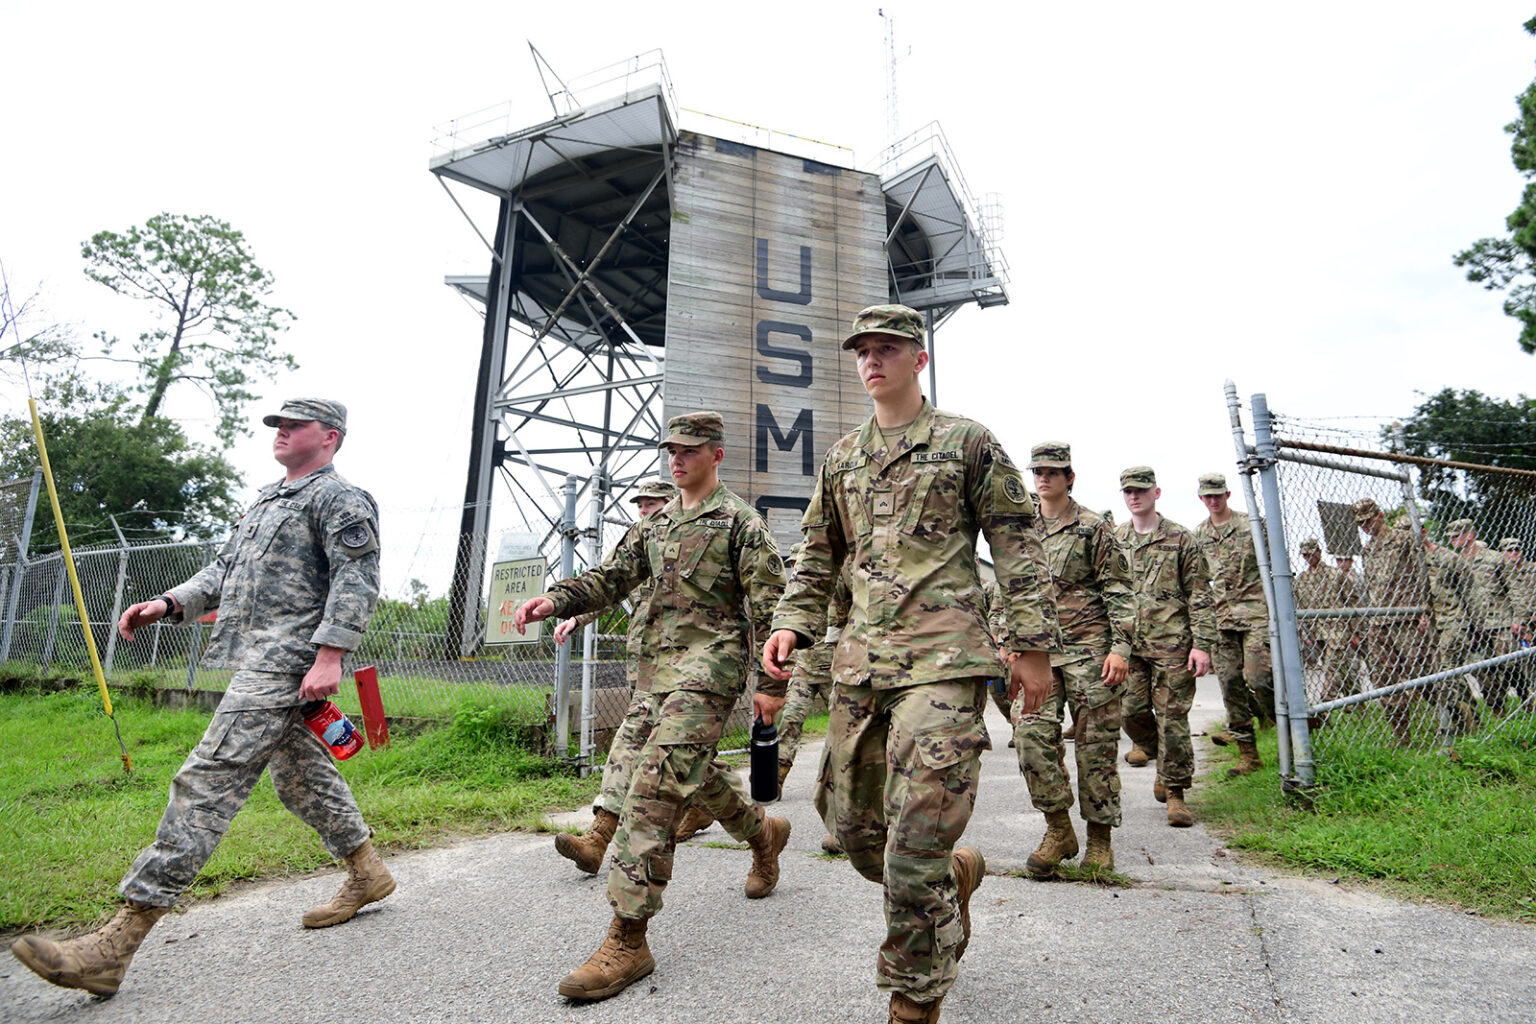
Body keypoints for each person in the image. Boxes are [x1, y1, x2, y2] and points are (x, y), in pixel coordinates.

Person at [11, 399, 391, 997]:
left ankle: (115, 943)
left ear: (330, 436)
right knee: (301, 778)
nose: (281, 432)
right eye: (277, 425)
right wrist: (169, 602)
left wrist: (331, 654)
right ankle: (367, 871)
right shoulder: (267, 499)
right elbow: (223, 569)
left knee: (207, 780)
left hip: (287, 661)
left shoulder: (340, 498)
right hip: (258, 657)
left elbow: (357, 578)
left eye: (294, 425)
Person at [763, 303, 1060, 1024]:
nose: (873, 360)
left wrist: (1032, 649)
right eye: (863, 349)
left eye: (888, 348)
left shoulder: (967, 443)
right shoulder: (842, 458)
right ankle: (954, 883)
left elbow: (1018, 542)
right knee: (860, 836)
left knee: (916, 839)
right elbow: (817, 558)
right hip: (862, 668)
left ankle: (913, 1000)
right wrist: (791, 625)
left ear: (917, 359)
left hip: (946, 661)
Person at [513, 411, 789, 1003]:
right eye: (671, 449)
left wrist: (773, 687)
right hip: (653, 679)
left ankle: (627, 939)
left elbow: (772, 608)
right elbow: (610, 577)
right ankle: (763, 834)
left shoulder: (741, 524)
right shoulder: (654, 526)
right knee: (693, 777)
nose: (677, 458)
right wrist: (553, 601)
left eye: (690, 449)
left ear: (716, 454)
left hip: (708, 676)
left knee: (655, 792)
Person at [547, 478, 696, 871]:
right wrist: (575, 617)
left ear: (672, 501)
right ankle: (755, 828)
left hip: (688, 669)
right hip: (644, 665)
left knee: (636, 741)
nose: (645, 510)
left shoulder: (692, 539)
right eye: (640, 505)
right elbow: (609, 585)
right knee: (677, 752)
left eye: (652, 503)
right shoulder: (639, 543)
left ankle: (600, 837)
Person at [1015, 442, 1135, 874]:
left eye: (1053, 471)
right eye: (1038, 471)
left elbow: (1120, 590)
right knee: (1030, 736)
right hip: (1038, 654)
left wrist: (1121, 649)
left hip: (1090, 652)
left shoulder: (1093, 528)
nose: (1043, 478)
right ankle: (1059, 830)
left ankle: (1099, 842)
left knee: (1096, 748)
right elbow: (1009, 587)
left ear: (1070, 477)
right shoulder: (1021, 526)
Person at [1115, 466, 1214, 826]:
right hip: (1130, 645)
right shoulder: (1117, 538)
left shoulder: (1181, 539)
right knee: (1129, 712)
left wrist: (1202, 645)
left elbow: (1201, 595)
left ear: (1156, 493)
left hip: (1173, 644)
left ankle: (1175, 792)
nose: (1134, 496)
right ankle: (1159, 755)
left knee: (1172, 718)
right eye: (1128, 491)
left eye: (1141, 490)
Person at [1193, 473, 1273, 777]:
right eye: (1207, 496)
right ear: (1201, 498)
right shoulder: (1198, 535)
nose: (1213, 501)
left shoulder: (1251, 525)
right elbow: (1199, 582)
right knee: (1229, 685)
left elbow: (1277, 565)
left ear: (1227, 494)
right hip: (1221, 620)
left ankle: (1282, 718)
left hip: (1255, 614)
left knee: (1259, 678)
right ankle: (1248, 755)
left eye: (1218, 495)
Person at [775, 561, 851, 853]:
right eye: (793, 565)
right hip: (806, 670)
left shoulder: (839, 583)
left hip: (836, 669)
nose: (796, 569)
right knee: (790, 721)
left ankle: (845, 817)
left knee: (842, 737)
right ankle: (777, 779)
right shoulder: (796, 594)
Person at [1349, 498, 1431, 746]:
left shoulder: (1405, 540)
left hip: (1407, 618)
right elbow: (1371, 587)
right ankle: (1402, 737)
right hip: (1379, 623)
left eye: (1369, 520)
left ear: (1381, 515)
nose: (1366, 526)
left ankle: (1458, 719)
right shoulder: (1367, 551)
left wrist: (1425, 610)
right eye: (1361, 523)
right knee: (1385, 680)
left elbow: (1423, 574)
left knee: (1425, 674)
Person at [1447, 519, 1520, 714]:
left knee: (1510, 663)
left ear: (1470, 535)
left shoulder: (1495, 559)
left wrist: (1518, 618)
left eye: (1457, 536)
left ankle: (1524, 692)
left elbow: (1513, 589)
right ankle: (1498, 711)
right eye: (1451, 537)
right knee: (1483, 671)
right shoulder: (1455, 563)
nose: (1453, 540)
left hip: (1499, 621)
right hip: (1472, 626)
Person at [1421, 534, 1482, 745]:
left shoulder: (1447, 557)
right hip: (1432, 624)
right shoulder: (1412, 561)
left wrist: (1476, 626)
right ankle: (1469, 717)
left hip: (1453, 619)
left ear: (1423, 532)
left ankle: (1462, 724)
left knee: (1447, 673)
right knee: (1447, 673)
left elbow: (1469, 590)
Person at [1293, 538, 1358, 708]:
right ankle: (1356, 702)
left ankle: (1325, 705)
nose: (1308, 558)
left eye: (1311, 553)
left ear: (1319, 552)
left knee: (1332, 667)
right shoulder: (1301, 580)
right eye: (1305, 555)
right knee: (1340, 669)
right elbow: (1299, 606)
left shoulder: (1335, 575)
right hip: (1317, 631)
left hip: (1337, 629)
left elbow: (1351, 602)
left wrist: (1355, 631)